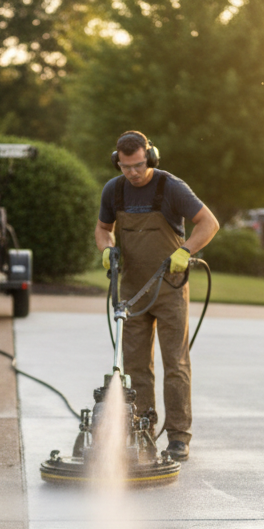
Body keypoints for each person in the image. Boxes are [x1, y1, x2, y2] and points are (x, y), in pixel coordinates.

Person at [94, 131, 218, 461]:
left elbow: (209, 223)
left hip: (170, 289)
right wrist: (107, 249)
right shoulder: (114, 189)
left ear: (150, 157)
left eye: (137, 165)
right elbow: (103, 229)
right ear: (117, 161)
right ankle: (143, 431)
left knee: (174, 363)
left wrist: (186, 250)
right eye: (125, 166)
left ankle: (178, 436)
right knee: (135, 366)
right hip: (131, 292)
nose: (132, 173)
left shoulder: (170, 187)